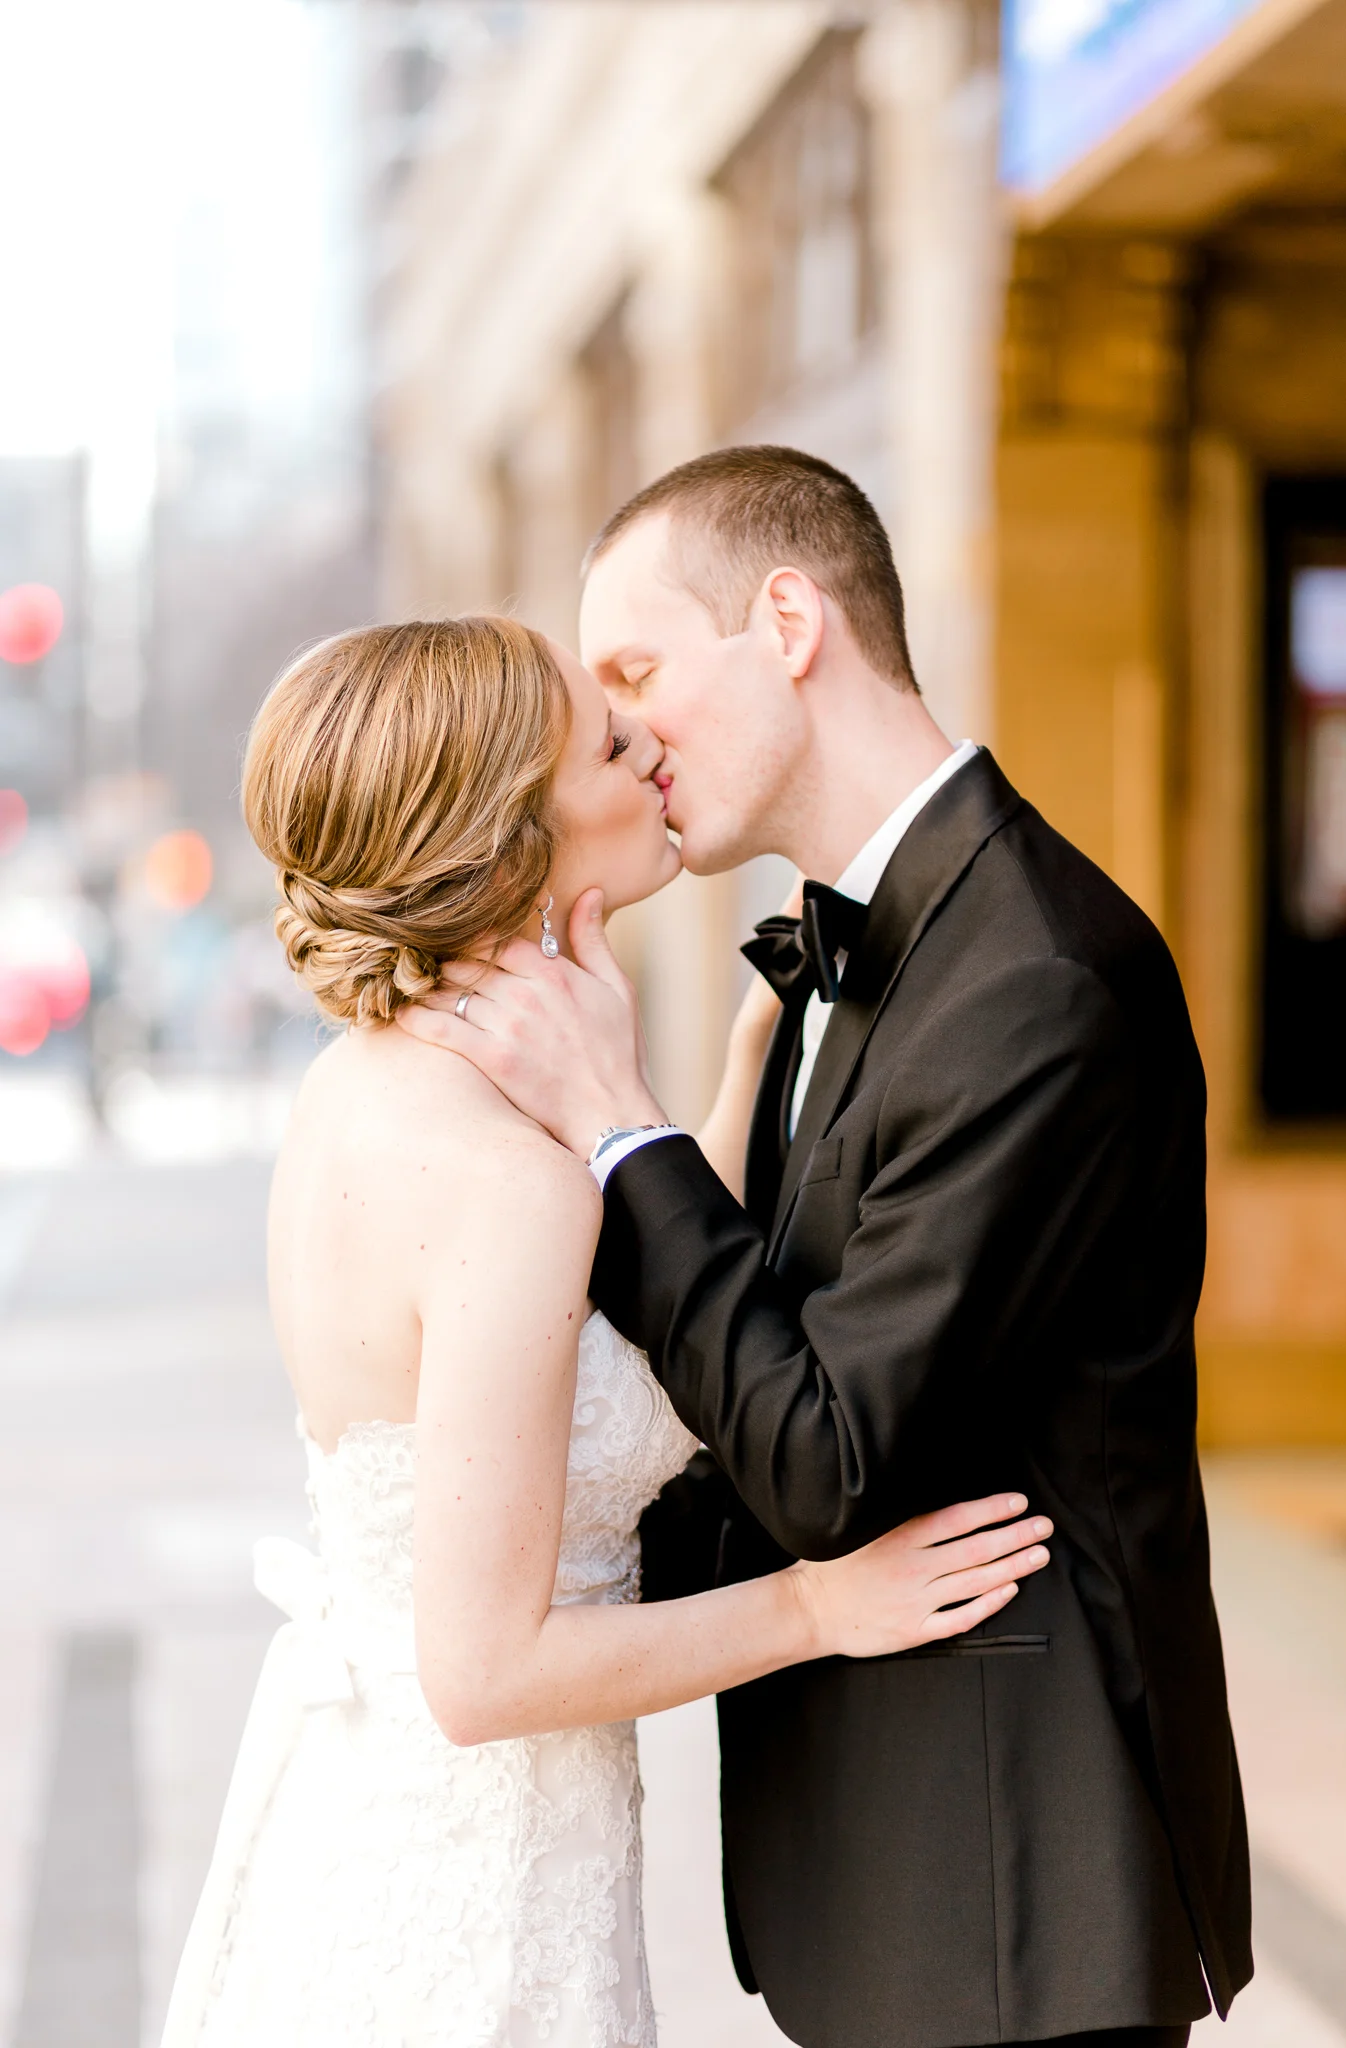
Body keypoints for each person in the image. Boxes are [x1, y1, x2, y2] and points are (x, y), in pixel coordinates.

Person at [401, 448, 1254, 2048]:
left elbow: (826, 1457)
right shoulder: (835, 955)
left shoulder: (1035, 978)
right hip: (890, 1882)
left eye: (638, 673)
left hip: (1014, 1895)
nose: (631, 736)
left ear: (788, 620)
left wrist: (625, 1132)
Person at [159, 614, 1051, 2048]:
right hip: (471, 1906)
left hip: (371, 1819)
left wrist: (719, 1076)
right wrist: (819, 1608)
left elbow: (600, 1346)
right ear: (510, 835)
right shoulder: (505, 1184)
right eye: (606, 741)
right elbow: (487, 1671)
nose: (648, 753)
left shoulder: (366, 1087)